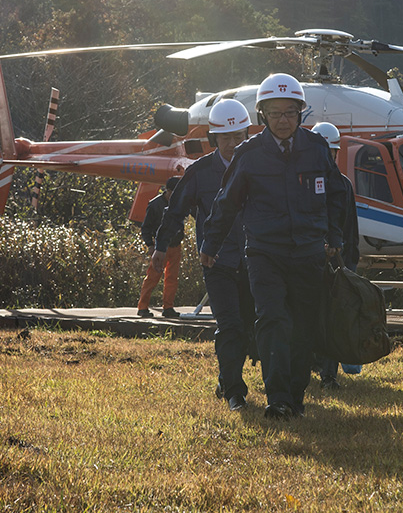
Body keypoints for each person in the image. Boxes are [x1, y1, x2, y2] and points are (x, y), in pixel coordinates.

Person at [200, 73, 348, 419]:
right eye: (275, 113)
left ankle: (295, 396)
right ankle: (278, 397)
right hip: (265, 253)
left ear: (301, 113)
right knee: (272, 319)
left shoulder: (316, 149)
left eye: (290, 112)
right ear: (261, 115)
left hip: (308, 251)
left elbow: (337, 196)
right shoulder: (249, 154)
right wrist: (212, 243)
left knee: (303, 323)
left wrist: (334, 239)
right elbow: (227, 201)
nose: (283, 120)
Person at [152, 98, 256, 411]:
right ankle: (235, 393)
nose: (233, 144)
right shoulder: (200, 172)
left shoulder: (257, 168)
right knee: (230, 326)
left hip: (255, 261)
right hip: (217, 262)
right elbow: (175, 211)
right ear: (215, 139)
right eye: (226, 138)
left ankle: (227, 378)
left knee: (252, 324)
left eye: (239, 137)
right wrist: (160, 247)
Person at [310, 121, 362, 388]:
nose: (326, 159)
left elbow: (350, 228)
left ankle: (328, 374)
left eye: (330, 153)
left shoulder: (343, 185)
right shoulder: (302, 182)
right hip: (305, 262)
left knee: (332, 318)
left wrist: (350, 264)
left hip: (336, 264)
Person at [136, 176, 182, 318]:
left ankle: (168, 307)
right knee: (152, 278)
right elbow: (146, 228)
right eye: (175, 192)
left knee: (172, 279)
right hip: (160, 248)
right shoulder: (154, 205)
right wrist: (150, 245)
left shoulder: (180, 202)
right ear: (168, 191)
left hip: (176, 246)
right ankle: (142, 307)